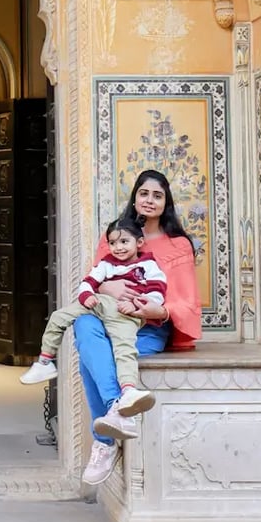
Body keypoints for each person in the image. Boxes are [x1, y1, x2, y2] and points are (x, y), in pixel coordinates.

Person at [75, 169, 201, 487]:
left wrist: (156, 308)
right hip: (110, 320)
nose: (149, 200)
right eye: (144, 193)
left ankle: (104, 443)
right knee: (83, 324)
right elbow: (95, 281)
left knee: (89, 358)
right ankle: (118, 410)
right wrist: (110, 289)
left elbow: (186, 302)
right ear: (135, 197)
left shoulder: (179, 245)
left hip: (148, 329)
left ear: (166, 202)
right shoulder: (114, 236)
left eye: (157, 195)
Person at [19, 217, 165, 419]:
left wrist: (135, 304)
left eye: (124, 242)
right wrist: (87, 296)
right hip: (99, 304)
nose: (118, 248)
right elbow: (88, 282)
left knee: (124, 349)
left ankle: (128, 390)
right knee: (59, 316)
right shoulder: (106, 264)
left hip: (125, 314)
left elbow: (158, 293)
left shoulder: (148, 265)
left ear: (139, 242)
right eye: (113, 243)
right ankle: (45, 361)